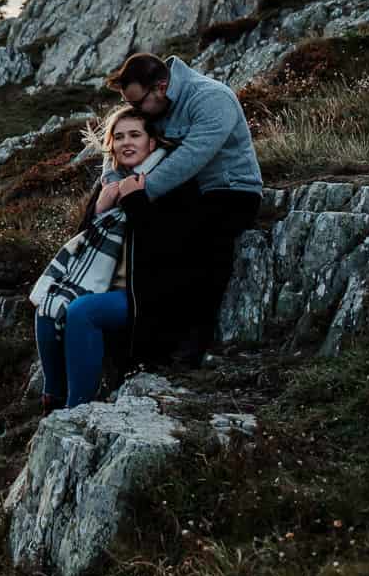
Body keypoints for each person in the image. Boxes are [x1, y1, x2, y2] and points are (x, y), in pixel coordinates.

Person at [105, 52, 263, 362]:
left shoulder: (212, 99)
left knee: (198, 244)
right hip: (185, 194)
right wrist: (112, 185)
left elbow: (188, 159)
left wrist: (135, 191)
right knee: (150, 239)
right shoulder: (154, 103)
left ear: (161, 87)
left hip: (231, 191)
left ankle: (195, 339)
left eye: (138, 103)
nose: (136, 110)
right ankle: (142, 340)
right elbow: (119, 140)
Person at [30, 105, 170, 411]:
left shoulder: (166, 181)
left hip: (143, 293)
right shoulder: (110, 184)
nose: (126, 142)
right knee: (49, 302)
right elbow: (84, 240)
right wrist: (99, 209)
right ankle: (52, 398)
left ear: (152, 142)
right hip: (103, 285)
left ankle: (77, 408)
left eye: (135, 134)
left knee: (82, 311)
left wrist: (134, 200)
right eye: (119, 137)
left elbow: (164, 244)